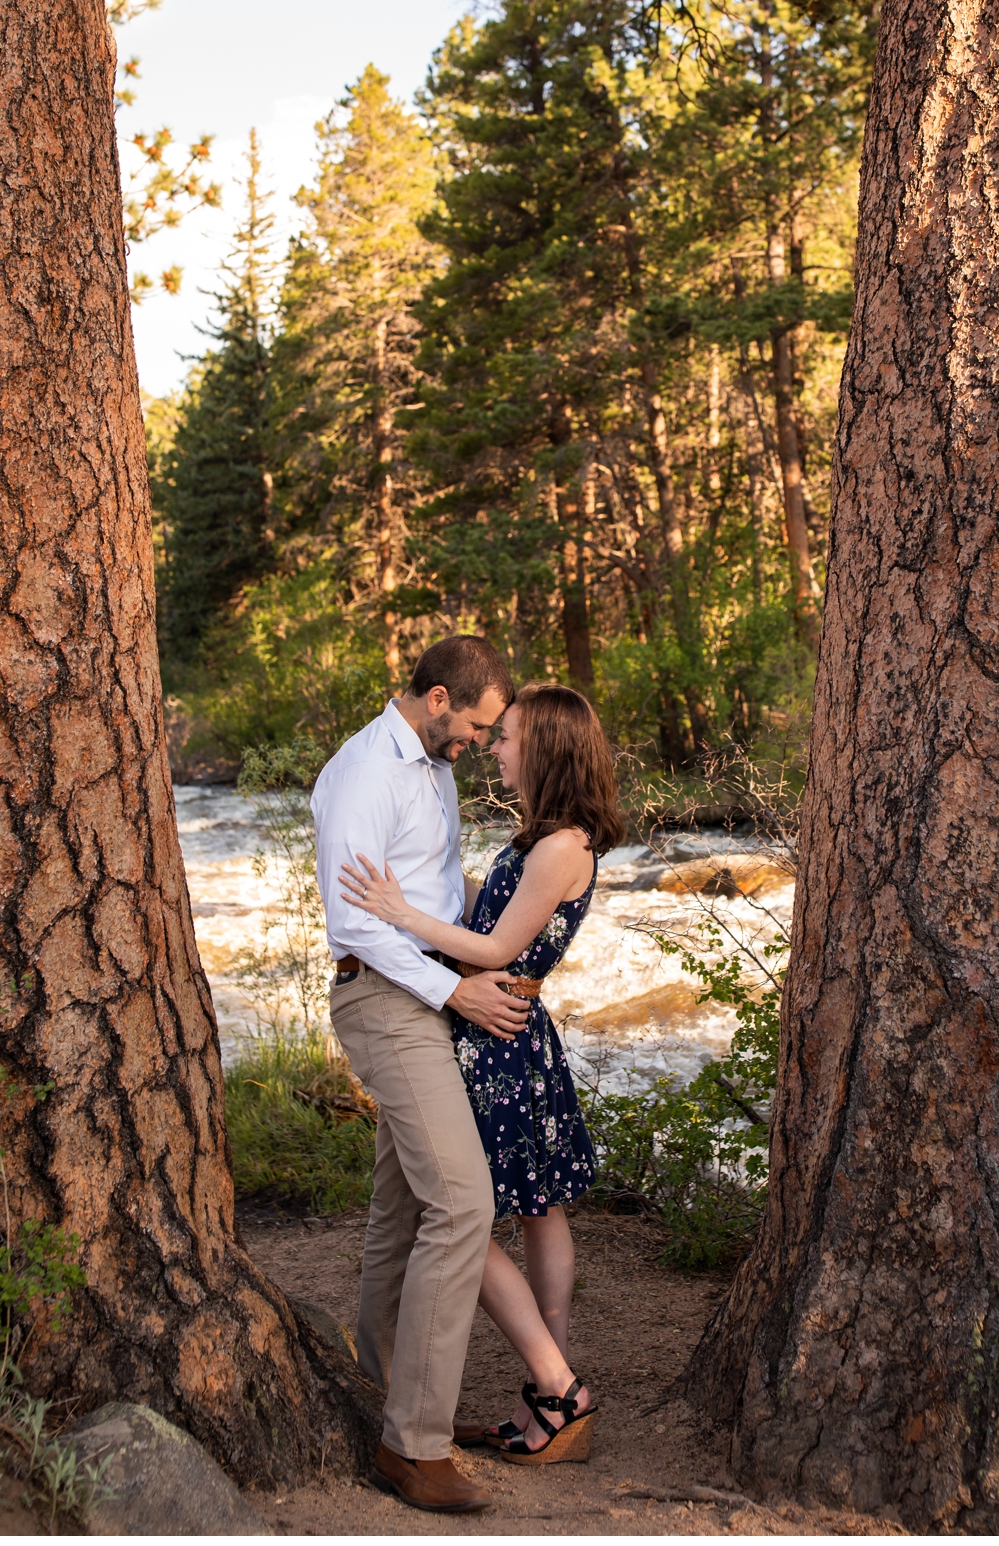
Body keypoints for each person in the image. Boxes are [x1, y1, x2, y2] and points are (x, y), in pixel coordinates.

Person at [337, 681, 624, 1465]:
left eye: (508, 736)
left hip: (496, 1029)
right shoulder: (549, 838)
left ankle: (555, 1385)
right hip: (510, 1028)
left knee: (462, 1204)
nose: (494, 746)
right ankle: (547, 1384)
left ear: (546, 747)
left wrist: (401, 914)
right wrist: (430, 889)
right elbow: (496, 912)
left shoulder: (563, 844)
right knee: (532, 1206)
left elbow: (494, 949)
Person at [308, 636, 527, 1515]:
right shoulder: (365, 774)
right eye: (474, 725)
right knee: (463, 1202)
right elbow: (356, 925)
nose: (478, 741)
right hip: (388, 1001)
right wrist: (458, 992)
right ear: (438, 699)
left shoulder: (430, 764)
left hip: (428, 997)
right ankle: (414, 1444)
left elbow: (430, 890)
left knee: (402, 1208)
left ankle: (387, 1396)